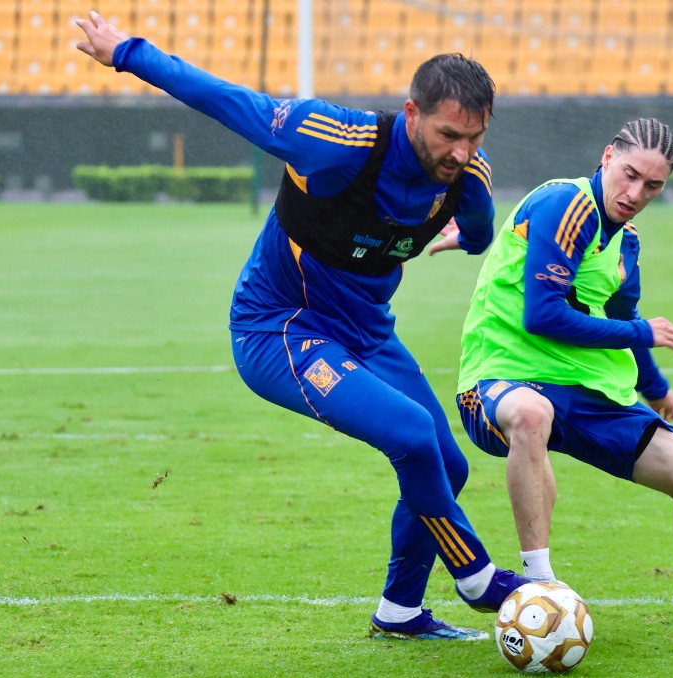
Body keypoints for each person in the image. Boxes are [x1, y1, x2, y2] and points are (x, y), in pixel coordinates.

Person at [74, 11, 528, 640]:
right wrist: (127, 51)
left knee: (447, 467)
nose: (462, 152)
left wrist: (461, 239)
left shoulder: (464, 179)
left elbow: (481, 230)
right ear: (412, 112)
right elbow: (226, 100)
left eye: (474, 138)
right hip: (279, 328)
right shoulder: (337, 140)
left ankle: (399, 613)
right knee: (413, 432)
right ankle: (476, 575)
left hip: (367, 331)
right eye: (450, 134)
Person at [448, 118, 673, 620]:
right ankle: (540, 587)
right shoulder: (565, 202)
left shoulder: (626, 241)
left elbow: (623, 316)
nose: (636, 192)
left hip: (588, 389)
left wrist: (656, 387)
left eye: (653, 186)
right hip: (501, 375)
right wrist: (642, 334)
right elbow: (542, 316)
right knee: (532, 415)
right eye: (629, 175)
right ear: (606, 156)